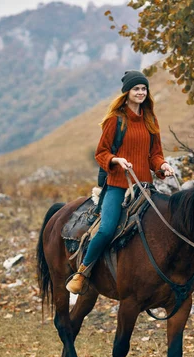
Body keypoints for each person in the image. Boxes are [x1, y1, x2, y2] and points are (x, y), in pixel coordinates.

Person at [66, 70, 175, 294]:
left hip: (144, 187)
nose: (141, 92)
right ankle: (82, 272)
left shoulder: (150, 120)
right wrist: (116, 160)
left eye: (144, 88)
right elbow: (101, 153)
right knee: (106, 229)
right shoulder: (115, 120)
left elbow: (155, 154)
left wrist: (162, 166)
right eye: (136, 88)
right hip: (118, 185)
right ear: (127, 92)